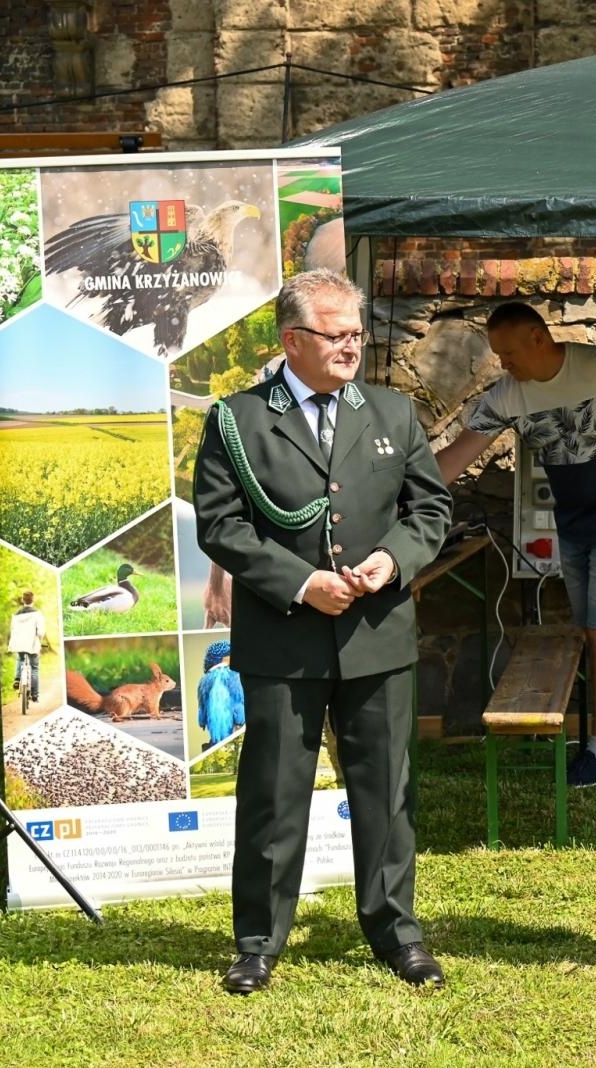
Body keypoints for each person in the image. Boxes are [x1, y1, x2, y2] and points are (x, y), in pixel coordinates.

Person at [193, 269, 452, 995]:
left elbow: (429, 510)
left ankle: (398, 933)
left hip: (377, 632)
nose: (351, 348)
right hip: (284, 637)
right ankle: (257, 941)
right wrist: (304, 584)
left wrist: (389, 561)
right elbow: (221, 524)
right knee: (275, 793)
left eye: (357, 335)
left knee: (386, 793)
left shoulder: (394, 413)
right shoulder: (238, 421)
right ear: (292, 341)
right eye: (336, 336)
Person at [435, 301, 596, 787]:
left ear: (538, 339)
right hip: (573, 523)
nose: (503, 363)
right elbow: (452, 461)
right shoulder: (507, 395)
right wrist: (396, 487)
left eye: (508, 352)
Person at [197, 639, 245, 749]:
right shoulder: (237, 675)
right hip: (236, 728)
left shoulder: (204, 681)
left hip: (215, 739)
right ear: (223, 658)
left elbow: (202, 718)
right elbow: (240, 715)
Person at [8, 590, 50, 707]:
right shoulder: (37, 614)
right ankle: (35, 695)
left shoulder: (16, 615)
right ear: (33, 600)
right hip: (32, 644)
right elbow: (41, 632)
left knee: (20, 659)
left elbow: (12, 630)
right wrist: (39, 641)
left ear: (23, 600)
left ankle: (17, 679)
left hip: (19, 644)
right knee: (34, 668)